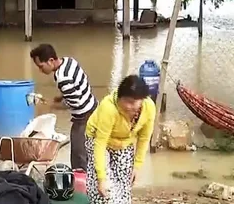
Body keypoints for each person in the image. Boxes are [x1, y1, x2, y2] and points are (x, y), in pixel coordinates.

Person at [84, 75, 156, 204]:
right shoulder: (109, 107)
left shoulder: (149, 108)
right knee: (104, 192)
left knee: (124, 184)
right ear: (119, 97)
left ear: (142, 100)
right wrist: (101, 178)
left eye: (133, 102)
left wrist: (137, 166)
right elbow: (100, 143)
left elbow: (144, 138)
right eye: (126, 101)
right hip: (98, 139)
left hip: (124, 141)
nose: (129, 106)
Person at [30, 43, 97, 171]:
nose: (40, 70)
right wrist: (60, 97)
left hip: (84, 117)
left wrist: (51, 105)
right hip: (93, 106)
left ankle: (83, 186)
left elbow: (73, 103)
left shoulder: (62, 78)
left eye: (41, 66)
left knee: (79, 156)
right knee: (88, 151)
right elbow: (75, 85)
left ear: (50, 61)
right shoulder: (69, 61)